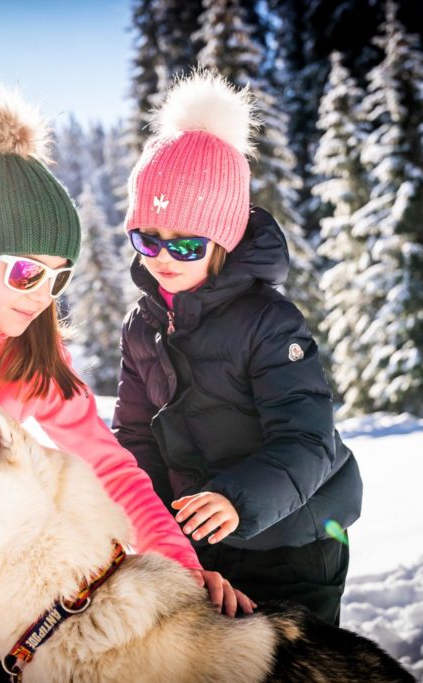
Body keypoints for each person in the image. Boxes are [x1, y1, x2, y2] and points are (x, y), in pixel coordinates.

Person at [0, 83, 250, 683]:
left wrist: (182, 569)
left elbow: (110, 466)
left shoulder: (34, 350)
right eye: (26, 271)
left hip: (1, 595)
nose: (41, 297)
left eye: (57, 279)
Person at [112, 70, 364, 626]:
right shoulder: (143, 324)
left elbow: (308, 439)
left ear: (223, 239)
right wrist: (148, 527)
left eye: (185, 243)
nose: (163, 256)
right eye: (146, 239)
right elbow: (134, 437)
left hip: (293, 541)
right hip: (201, 546)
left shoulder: (268, 323)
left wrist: (236, 500)